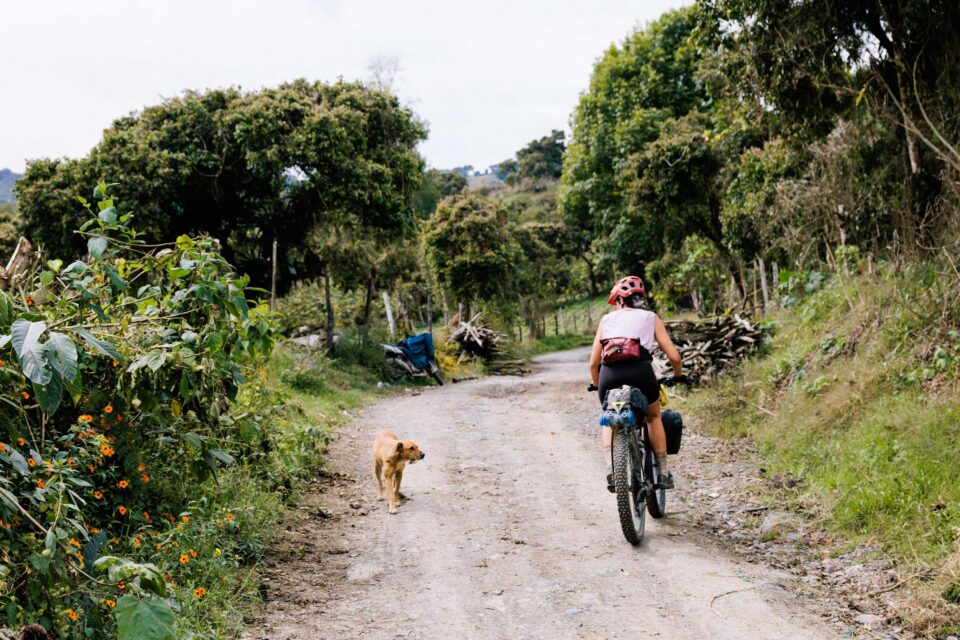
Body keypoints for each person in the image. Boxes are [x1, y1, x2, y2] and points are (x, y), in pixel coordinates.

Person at [589, 275, 683, 490]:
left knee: (610, 416)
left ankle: (611, 468)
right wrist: (678, 375)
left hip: (609, 374)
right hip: (641, 371)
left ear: (620, 301)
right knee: (653, 417)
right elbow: (675, 358)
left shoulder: (606, 320)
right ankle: (663, 473)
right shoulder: (650, 317)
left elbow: (594, 363)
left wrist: (597, 384)